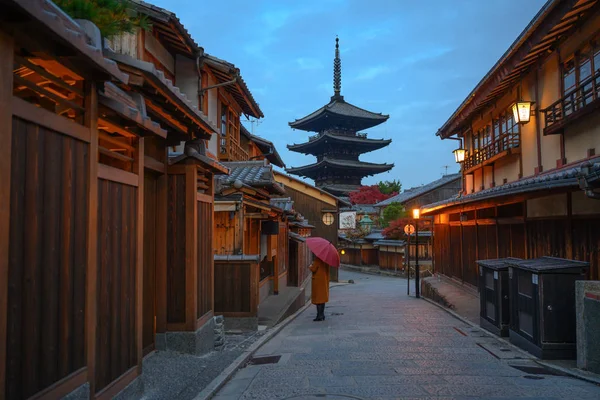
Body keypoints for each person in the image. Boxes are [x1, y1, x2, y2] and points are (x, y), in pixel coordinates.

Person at [309, 257, 330, 321]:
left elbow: (313, 269)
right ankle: (322, 314)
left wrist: (310, 266)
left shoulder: (318, 259)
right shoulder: (327, 260)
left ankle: (319, 315)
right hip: (324, 280)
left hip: (318, 281)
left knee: (318, 299)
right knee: (322, 298)